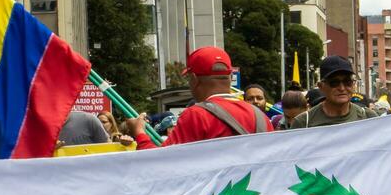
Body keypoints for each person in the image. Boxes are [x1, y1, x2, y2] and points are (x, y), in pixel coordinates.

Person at [126, 47, 268, 147]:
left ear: (194, 79)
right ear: (230, 77)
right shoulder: (261, 117)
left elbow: (161, 166)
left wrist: (139, 133)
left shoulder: (196, 115)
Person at [289, 56, 377, 128]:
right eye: (334, 83)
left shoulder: (369, 117)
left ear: (354, 85)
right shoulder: (303, 123)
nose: (342, 88)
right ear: (321, 86)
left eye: (347, 82)